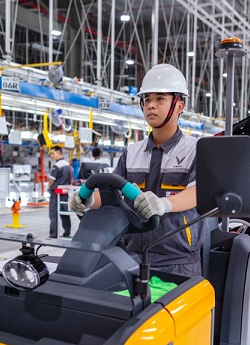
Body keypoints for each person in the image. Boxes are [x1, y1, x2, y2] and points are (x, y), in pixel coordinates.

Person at [69, 64, 206, 276]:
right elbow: (112, 194)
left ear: (179, 105)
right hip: (131, 258)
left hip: (178, 261)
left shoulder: (195, 150)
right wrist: (86, 200)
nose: (151, 105)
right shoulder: (132, 152)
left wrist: (165, 204)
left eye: (160, 99)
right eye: (147, 99)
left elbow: (198, 192)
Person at [48, 145, 73, 238]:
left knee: (53, 215)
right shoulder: (67, 165)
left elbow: (51, 180)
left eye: (53, 153)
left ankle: (53, 235)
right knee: (64, 213)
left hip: (56, 193)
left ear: (59, 153)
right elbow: (71, 179)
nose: (51, 155)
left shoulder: (57, 166)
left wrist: (49, 188)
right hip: (65, 193)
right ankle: (67, 232)